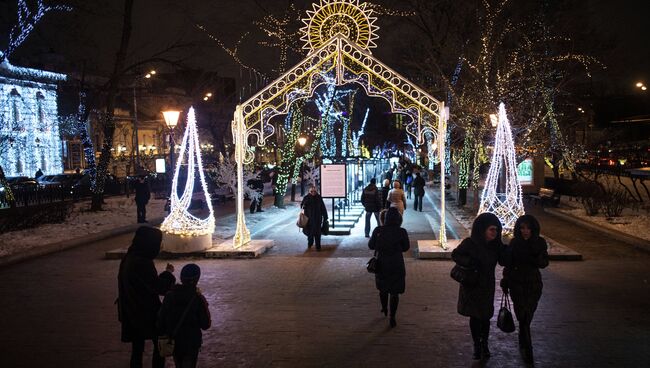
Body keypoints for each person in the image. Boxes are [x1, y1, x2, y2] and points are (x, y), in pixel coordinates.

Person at [117, 226, 176, 368]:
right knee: (159, 344)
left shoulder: (130, 258)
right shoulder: (142, 262)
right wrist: (168, 273)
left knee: (137, 348)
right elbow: (158, 286)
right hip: (145, 311)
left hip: (130, 309)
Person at [451, 212, 505, 361]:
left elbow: (503, 260)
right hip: (472, 285)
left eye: (496, 230)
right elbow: (456, 255)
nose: (495, 233)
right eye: (492, 229)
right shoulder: (470, 243)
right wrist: (470, 262)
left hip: (487, 286)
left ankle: (484, 344)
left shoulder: (495, 246)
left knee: (486, 317)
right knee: (475, 317)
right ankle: (477, 345)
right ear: (482, 229)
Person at [501, 215, 549, 364]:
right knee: (522, 315)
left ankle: (524, 339)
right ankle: (528, 348)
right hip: (517, 283)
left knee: (528, 315)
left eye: (528, 228)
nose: (525, 231)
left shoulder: (539, 243)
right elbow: (508, 263)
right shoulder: (515, 243)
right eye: (522, 228)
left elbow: (544, 263)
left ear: (533, 229)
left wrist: (535, 256)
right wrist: (505, 280)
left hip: (533, 284)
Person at [158, 264, 212, 368]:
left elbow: (161, 320)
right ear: (197, 279)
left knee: (178, 363)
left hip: (175, 340)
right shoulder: (197, 298)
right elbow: (206, 324)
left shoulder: (170, 295)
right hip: (192, 342)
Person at [368, 207, 410, 328]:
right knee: (395, 292)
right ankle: (392, 316)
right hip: (396, 263)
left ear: (385, 218)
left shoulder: (378, 230)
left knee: (383, 288)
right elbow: (405, 247)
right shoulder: (402, 231)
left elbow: (371, 245)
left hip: (382, 263)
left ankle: (384, 308)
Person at [300, 185, 328, 251]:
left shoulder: (319, 197)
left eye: (314, 191)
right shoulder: (306, 198)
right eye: (311, 191)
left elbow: (323, 207)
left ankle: (318, 247)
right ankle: (310, 243)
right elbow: (302, 206)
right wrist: (304, 204)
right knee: (310, 233)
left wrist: (325, 216)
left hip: (317, 218)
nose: (313, 192)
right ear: (309, 191)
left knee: (318, 233)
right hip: (309, 219)